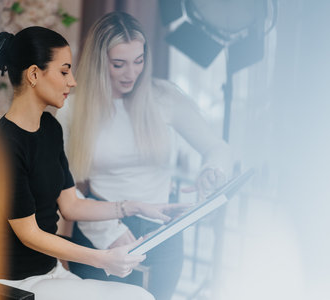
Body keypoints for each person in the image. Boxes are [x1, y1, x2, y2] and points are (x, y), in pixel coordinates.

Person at [0, 26, 189, 300]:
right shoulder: (1, 142)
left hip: (50, 271)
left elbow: (71, 206)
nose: (73, 81)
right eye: (64, 71)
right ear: (33, 74)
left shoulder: (50, 128)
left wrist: (134, 206)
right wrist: (102, 258)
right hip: (10, 283)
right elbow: (29, 234)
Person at [56, 12, 234, 300]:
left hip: (163, 233)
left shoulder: (164, 97)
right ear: (99, 62)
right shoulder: (71, 111)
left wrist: (211, 171)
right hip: (99, 229)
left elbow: (218, 148)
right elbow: (65, 190)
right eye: (119, 64)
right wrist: (106, 232)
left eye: (139, 61)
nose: (131, 73)